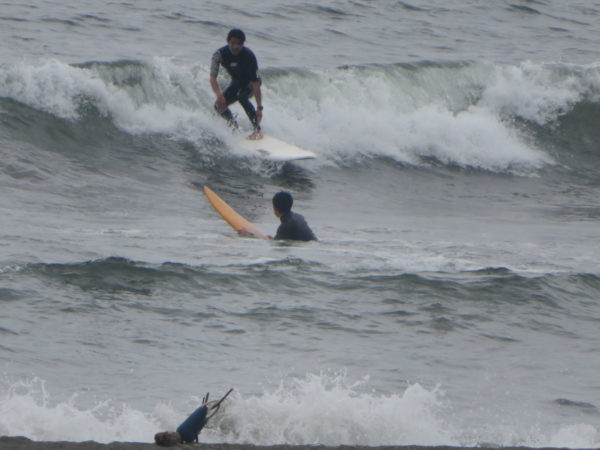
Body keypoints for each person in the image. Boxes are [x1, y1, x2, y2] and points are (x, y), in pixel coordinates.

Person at [210, 28, 263, 140]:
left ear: (243, 44)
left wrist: (259, 108)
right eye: (232, 43)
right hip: (237, 82)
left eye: (238, 44)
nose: (235, 46)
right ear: (228, 42)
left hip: (250, 83)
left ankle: (257, 130)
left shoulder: (249, 56)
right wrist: (219, 95)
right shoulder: (219, 54)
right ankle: (233, 125)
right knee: (218, 105)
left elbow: (255, 83)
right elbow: (213, 78)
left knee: (242, 97)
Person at [154, 388, 233, 446]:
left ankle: (221, 399)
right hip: (182, 436)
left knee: (206, 411)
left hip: (183, 436)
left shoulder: (181, 433)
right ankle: (223, 398)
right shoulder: (181, 433)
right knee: (207, 411)